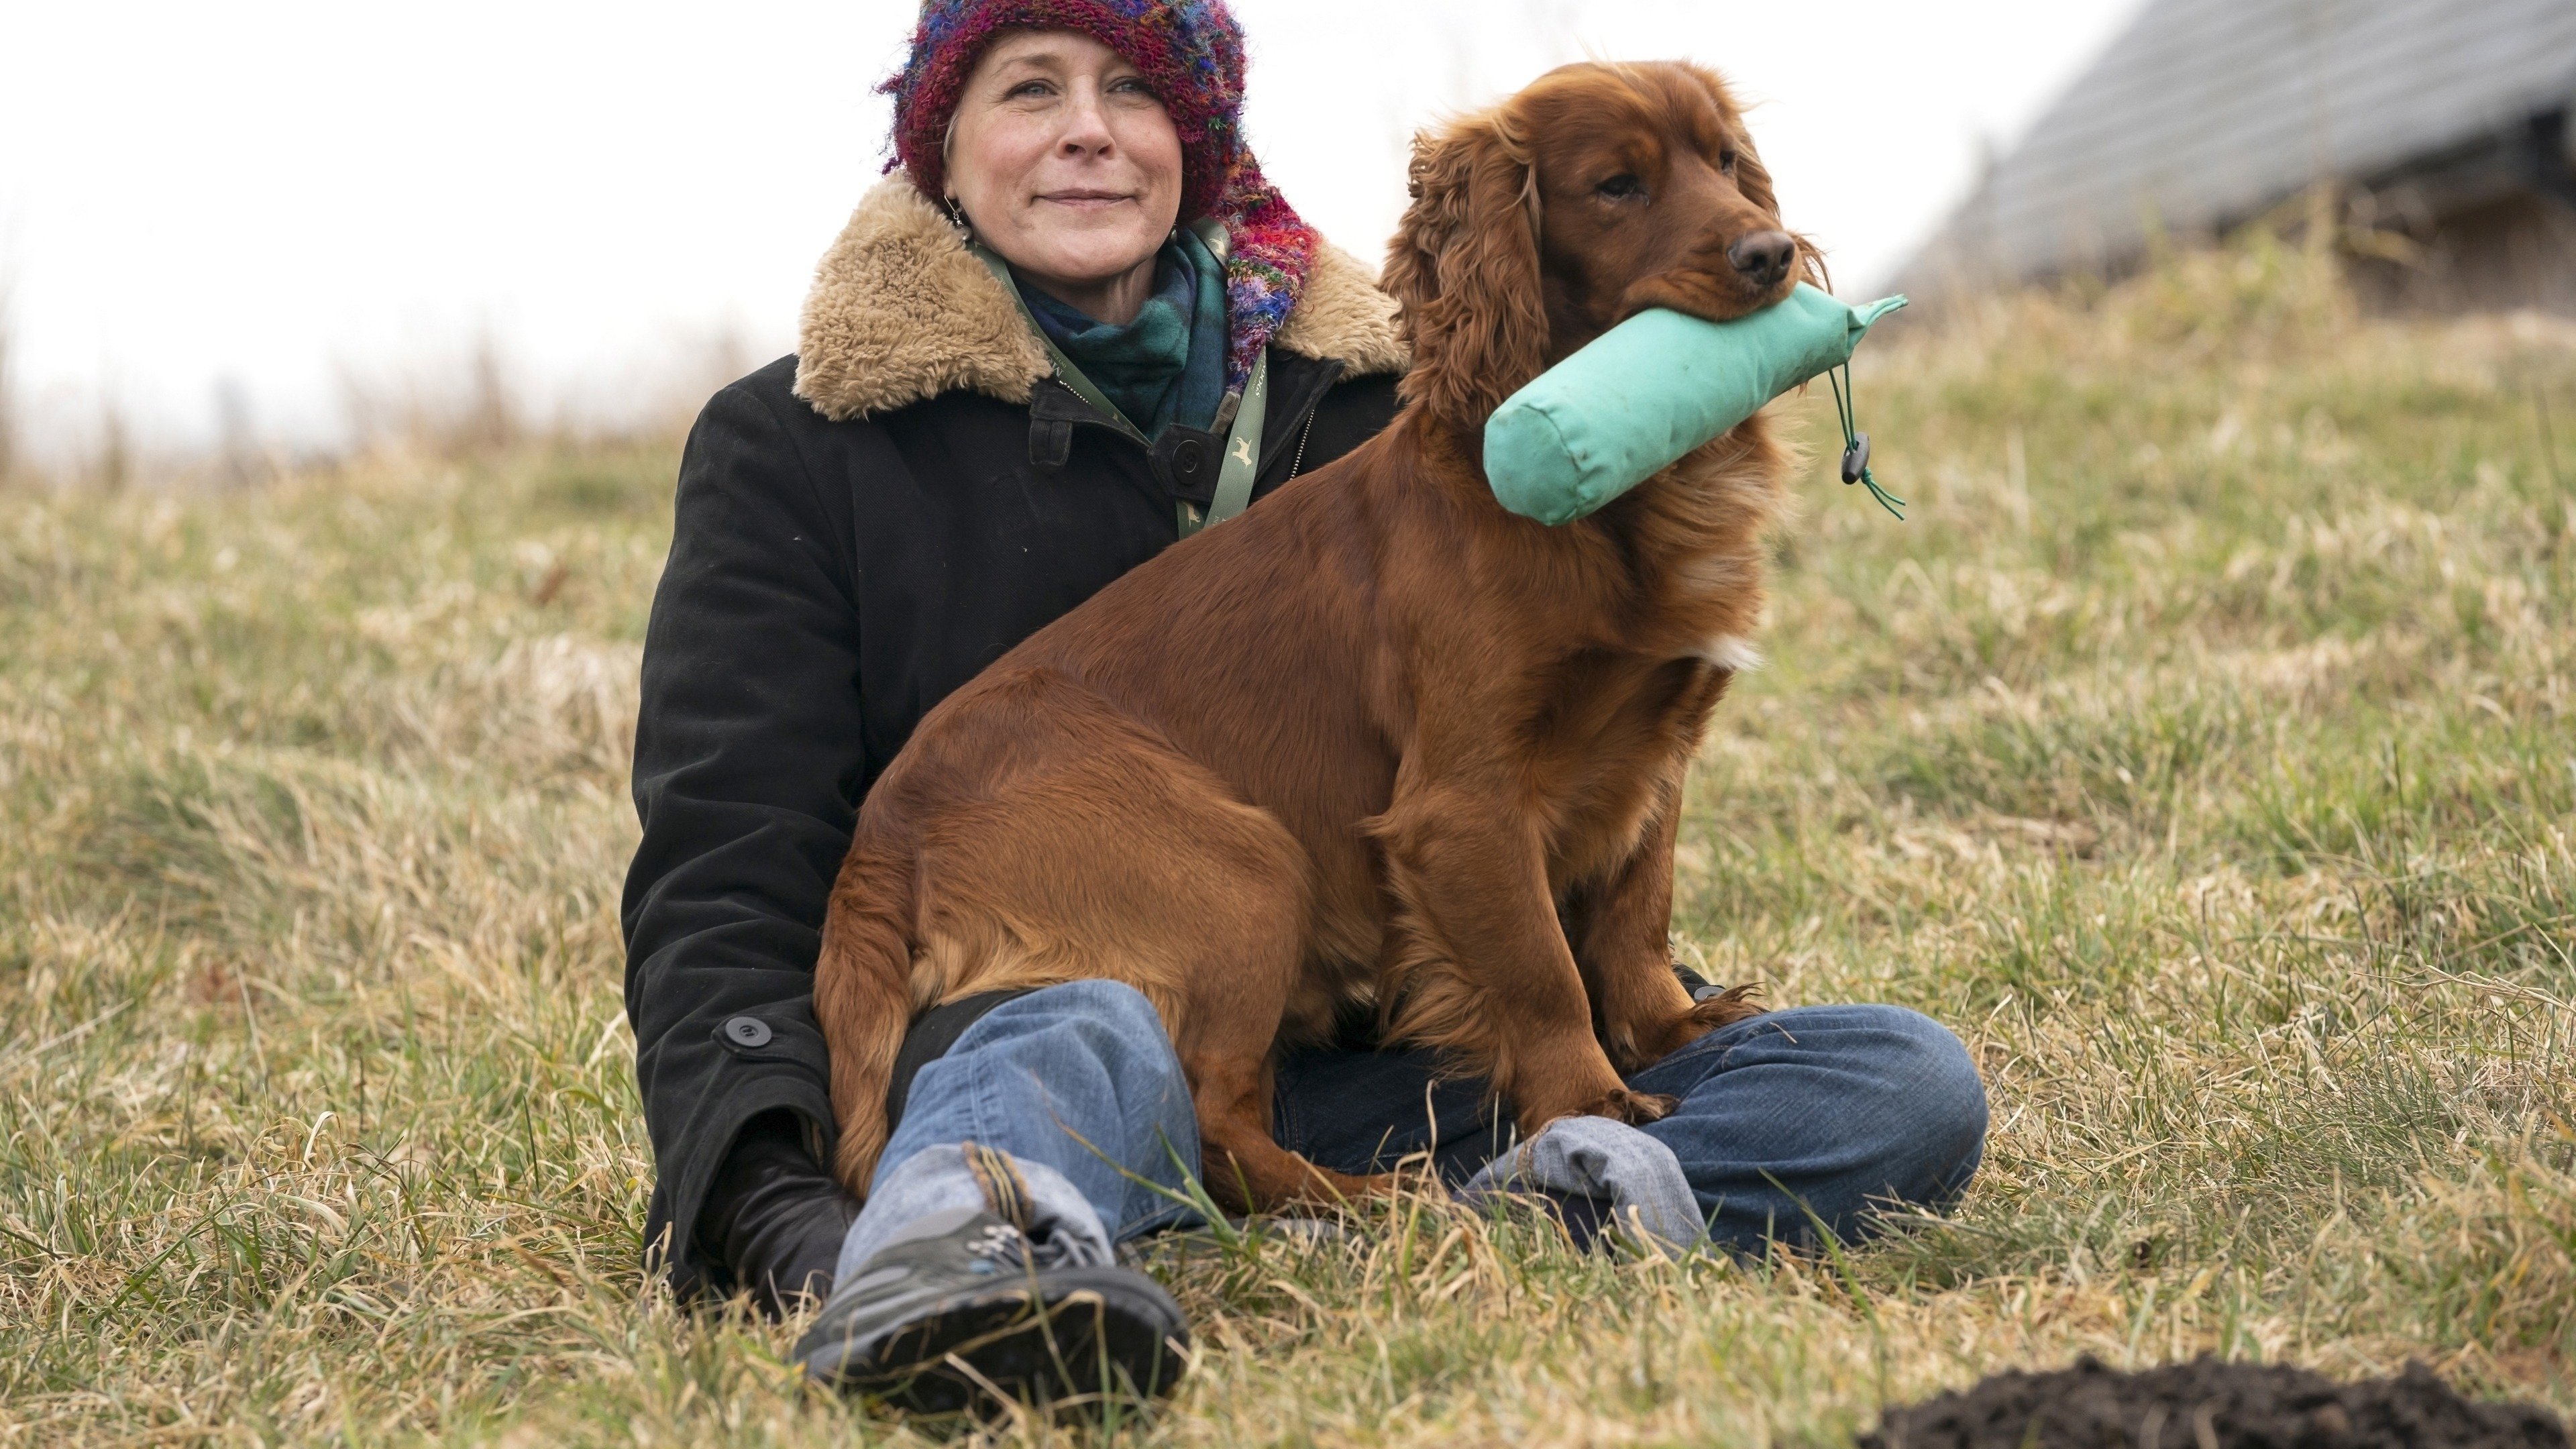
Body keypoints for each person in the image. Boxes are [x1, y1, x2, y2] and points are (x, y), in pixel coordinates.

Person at [623, 0, 1989, 1412]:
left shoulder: (1387, 395)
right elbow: (725, 869)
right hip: (1040, 1032)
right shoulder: (798, 443)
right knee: (1084, 1034)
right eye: (1031, 89)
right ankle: (961, 1242)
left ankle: (1504, 1201)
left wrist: (1612, 1004)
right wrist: (770, 1198)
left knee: (1900, 1084)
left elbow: (1555, 776)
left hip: (1356, 1054)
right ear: (942, 151)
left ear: (1196, 147)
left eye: (1135, 93)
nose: (1087, 129)